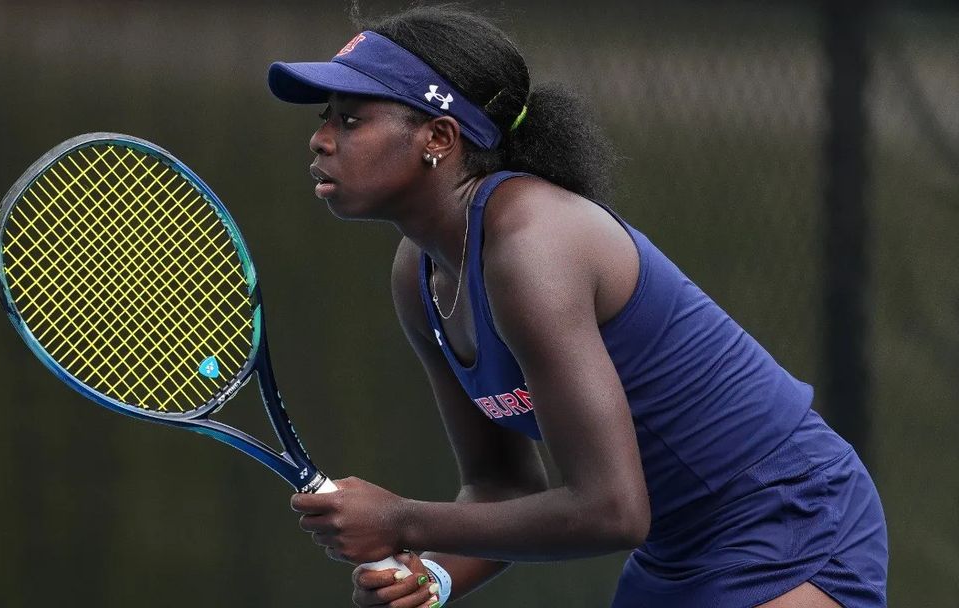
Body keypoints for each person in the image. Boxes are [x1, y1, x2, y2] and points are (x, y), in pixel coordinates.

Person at [267, 5, 888, 607]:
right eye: (326, 117)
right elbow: (501, 485)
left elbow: (612, 511)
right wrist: (432, 577)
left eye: (351, 120)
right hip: (677, 550)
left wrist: (402, 521)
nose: (321, 140)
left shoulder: (533, 247)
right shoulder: (419, 273)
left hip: (790, 518)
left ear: (438, 137)